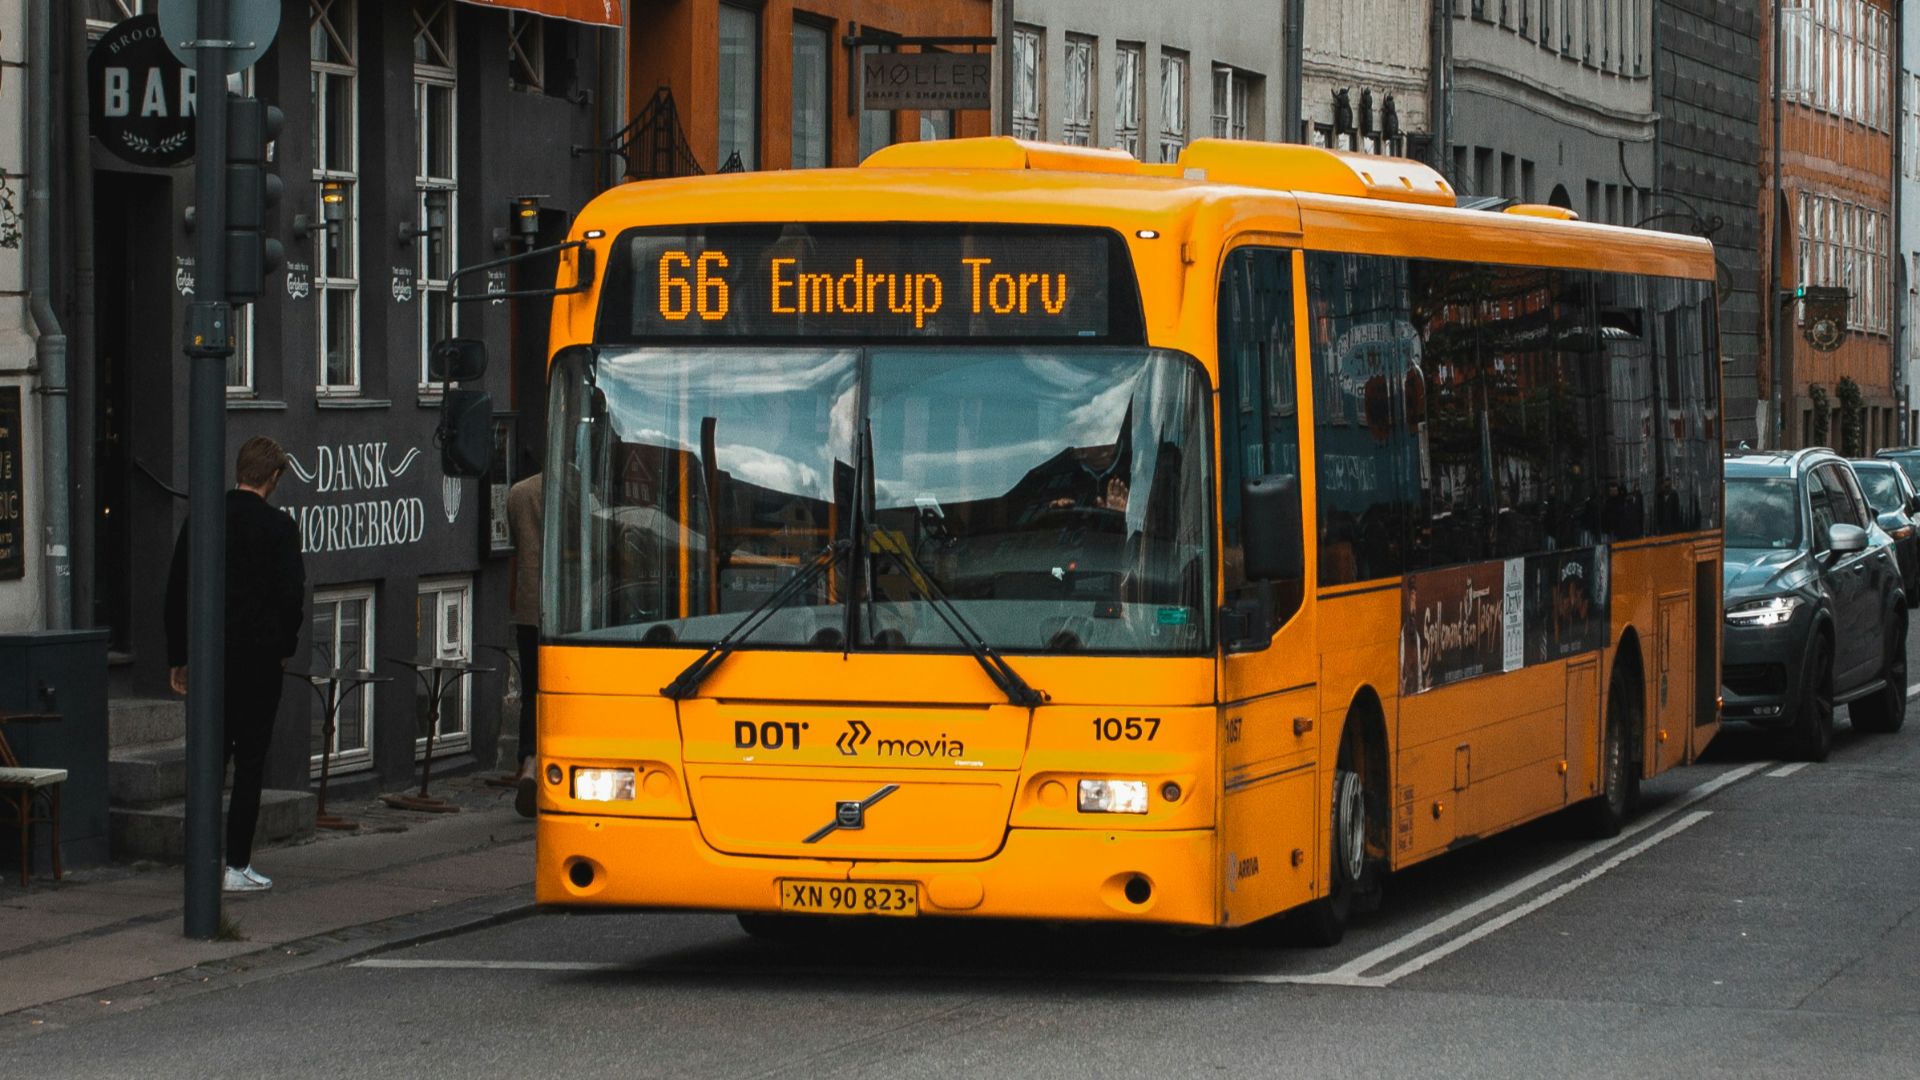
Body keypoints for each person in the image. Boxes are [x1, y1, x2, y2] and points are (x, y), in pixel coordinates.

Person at [164, 436, 306, 894]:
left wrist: (179, 656)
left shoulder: (204, 519)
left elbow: (176, 590)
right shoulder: (279, 528)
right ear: (274, 477)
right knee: (249, 762)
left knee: (210, 757)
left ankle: (199, 856)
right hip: (260, 659)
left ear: (239, 471)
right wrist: (285, 646)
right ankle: (236, 864)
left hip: (211, 655)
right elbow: (291, 598)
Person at [507, 467, 545, 818]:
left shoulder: (519, 492)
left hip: (529, 609)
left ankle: (529, 763)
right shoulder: (580, 492)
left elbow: (517, 543)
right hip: (566, 613)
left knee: (531, 690)